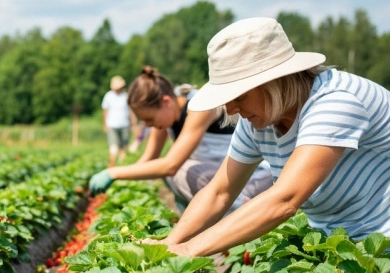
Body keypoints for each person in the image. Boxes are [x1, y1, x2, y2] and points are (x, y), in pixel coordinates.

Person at [150, 17, 390, 268]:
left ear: (274, 81)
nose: (230, 109)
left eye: (238, 96)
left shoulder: (336, 101)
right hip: (344, 242)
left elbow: (284, 199)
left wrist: (190, 250)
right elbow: (219, 192)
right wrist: (171, 243)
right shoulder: (260, 120)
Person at [89, 66, 272, 213]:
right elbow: (148, 160)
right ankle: (207, 219)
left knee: (181, 171)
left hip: (253, 176)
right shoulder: (166, 117)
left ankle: (243, 216)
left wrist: (114, 173)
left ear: (166, 102)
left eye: (150, 119)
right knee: (171, 173)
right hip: (218, 174)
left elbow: (171, 165)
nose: (149, 125)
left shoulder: (200, 106)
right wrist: (120, 181)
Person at [102, 76, 138, 167]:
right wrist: (105, 124)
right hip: (112, 125)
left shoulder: (126, 96)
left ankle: (122, 164)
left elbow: (131, 111)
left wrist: (133, 123)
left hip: (125, 124)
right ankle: (112, 163)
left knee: (124, 145)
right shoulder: (108, 96)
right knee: (113, 145)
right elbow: (105, 111)